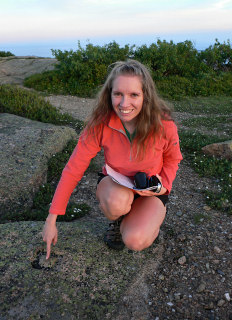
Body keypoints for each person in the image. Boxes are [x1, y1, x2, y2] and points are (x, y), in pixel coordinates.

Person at [42, 59, 183, 259]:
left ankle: (145, 218)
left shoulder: (163, 124)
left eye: (134, 94)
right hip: (116, 185)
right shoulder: (100, 123)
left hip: (150, 189)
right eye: (118, 94)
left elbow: (173, 158)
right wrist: (51, 219)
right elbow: (74, 168)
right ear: (109, 94)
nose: (124, 104)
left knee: (136, 240)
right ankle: (119, 220)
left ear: (146, 96)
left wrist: (164, 185)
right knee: (116, 203)